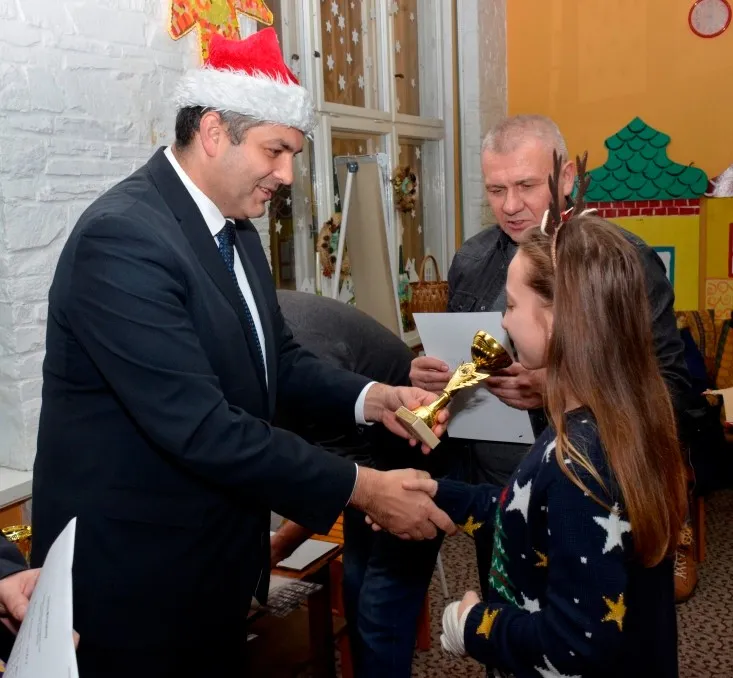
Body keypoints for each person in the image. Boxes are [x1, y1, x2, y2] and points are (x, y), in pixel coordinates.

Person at [31, 30, 454, 677]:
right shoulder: (123, 239)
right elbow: (202, 427)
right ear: (212, 131)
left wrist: (375, 399)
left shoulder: (236, 232)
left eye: (292, 154)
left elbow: (278, 361)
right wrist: (364, 488)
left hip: (213, 563)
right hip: (135, 580)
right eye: (274, 150)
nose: (286, 175)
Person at [400, 155, 687, 676]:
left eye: (511, 306)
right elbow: (528, 512)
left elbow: (572, 646)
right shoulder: (616, 423)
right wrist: (440, 494)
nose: (504, 323)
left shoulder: (578, 463)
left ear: (556, 321)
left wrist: (472, 625)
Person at [271, 290, 455, 678]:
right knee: (358, 591)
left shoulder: (305, 348)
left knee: (380, 606)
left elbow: (345, 475)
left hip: (415, 461)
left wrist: (279, 545)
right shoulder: (262, 326)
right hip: (369, 460)